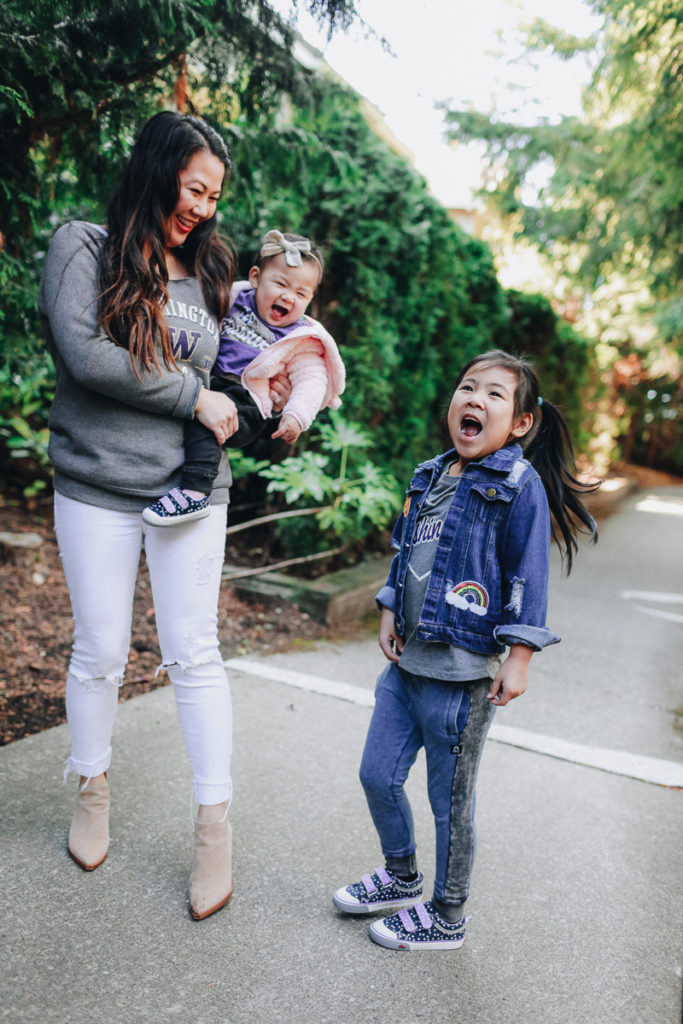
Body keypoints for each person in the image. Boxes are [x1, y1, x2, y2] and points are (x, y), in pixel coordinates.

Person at [37, 111, 286, 921]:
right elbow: (87, 354)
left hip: (190, 490)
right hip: (97, 482)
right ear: (156, 171)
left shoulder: (212, 268)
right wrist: (191, 395)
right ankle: (92, 788)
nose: (204, 208)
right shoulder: (83, 246)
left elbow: (235, 365)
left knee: (194, 653)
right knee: (101, 650)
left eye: (214, 196)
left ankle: (213, 832)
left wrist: (274, 390)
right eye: (194, 189)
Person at [332, 349, 598, 950]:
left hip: (461, 677)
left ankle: (447, 914)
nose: (475, 398)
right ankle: (400, 875)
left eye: (495, 394)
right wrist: (388, 605)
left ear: (521, 423)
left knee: (449, 803)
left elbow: (528, 572)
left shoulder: (518, 486)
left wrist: (520, 655)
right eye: (467, 386)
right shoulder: (429, 474)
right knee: (376, 774)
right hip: (406, 668)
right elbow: (405, 548)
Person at [141, 229, 345, 526]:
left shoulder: (300, 339)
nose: (288, 296)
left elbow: (312, 379)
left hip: (247, 399)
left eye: (301, 293)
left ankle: (195, 493)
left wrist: (296, 415)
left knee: (207, 421)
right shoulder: (235, 300)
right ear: (255, 277)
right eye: (280, 284)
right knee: (191, 403)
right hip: (212, 382)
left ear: (310, 298)